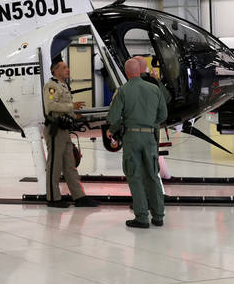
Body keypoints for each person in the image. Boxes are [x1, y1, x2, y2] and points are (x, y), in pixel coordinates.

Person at [107, 56, 168, 228]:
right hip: (150, 137)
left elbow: (113, 117)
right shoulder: (154, 89)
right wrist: (149, 122)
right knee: (152, 175)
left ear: (127, 72)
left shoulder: (123, 90)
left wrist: (119, 125)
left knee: (135, 176)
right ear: (140, 71)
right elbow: (163, 114)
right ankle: (158, 216)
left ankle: (141, 217)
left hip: (132, 138)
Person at [43, 60, 99, 208]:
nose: (68, 69)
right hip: (55, 130)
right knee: (54, 165)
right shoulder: (51, 86)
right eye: (64, 67)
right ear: (55, 71)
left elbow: (64, 108)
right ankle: (53, 198)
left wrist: (74, 115)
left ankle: (79, 197)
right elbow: (51, 106)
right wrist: (71, 106)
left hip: (64, 129)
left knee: (70, 165)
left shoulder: (63, 86)